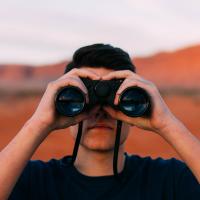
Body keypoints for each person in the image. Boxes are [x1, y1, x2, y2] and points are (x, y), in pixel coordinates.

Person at [0, 44, 199, 200]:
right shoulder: (29, 180)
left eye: (119, 101)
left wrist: (166, 123)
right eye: (81, 99)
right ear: (59, 103)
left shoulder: (170, 180)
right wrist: (38, 123)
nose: (101, 112)